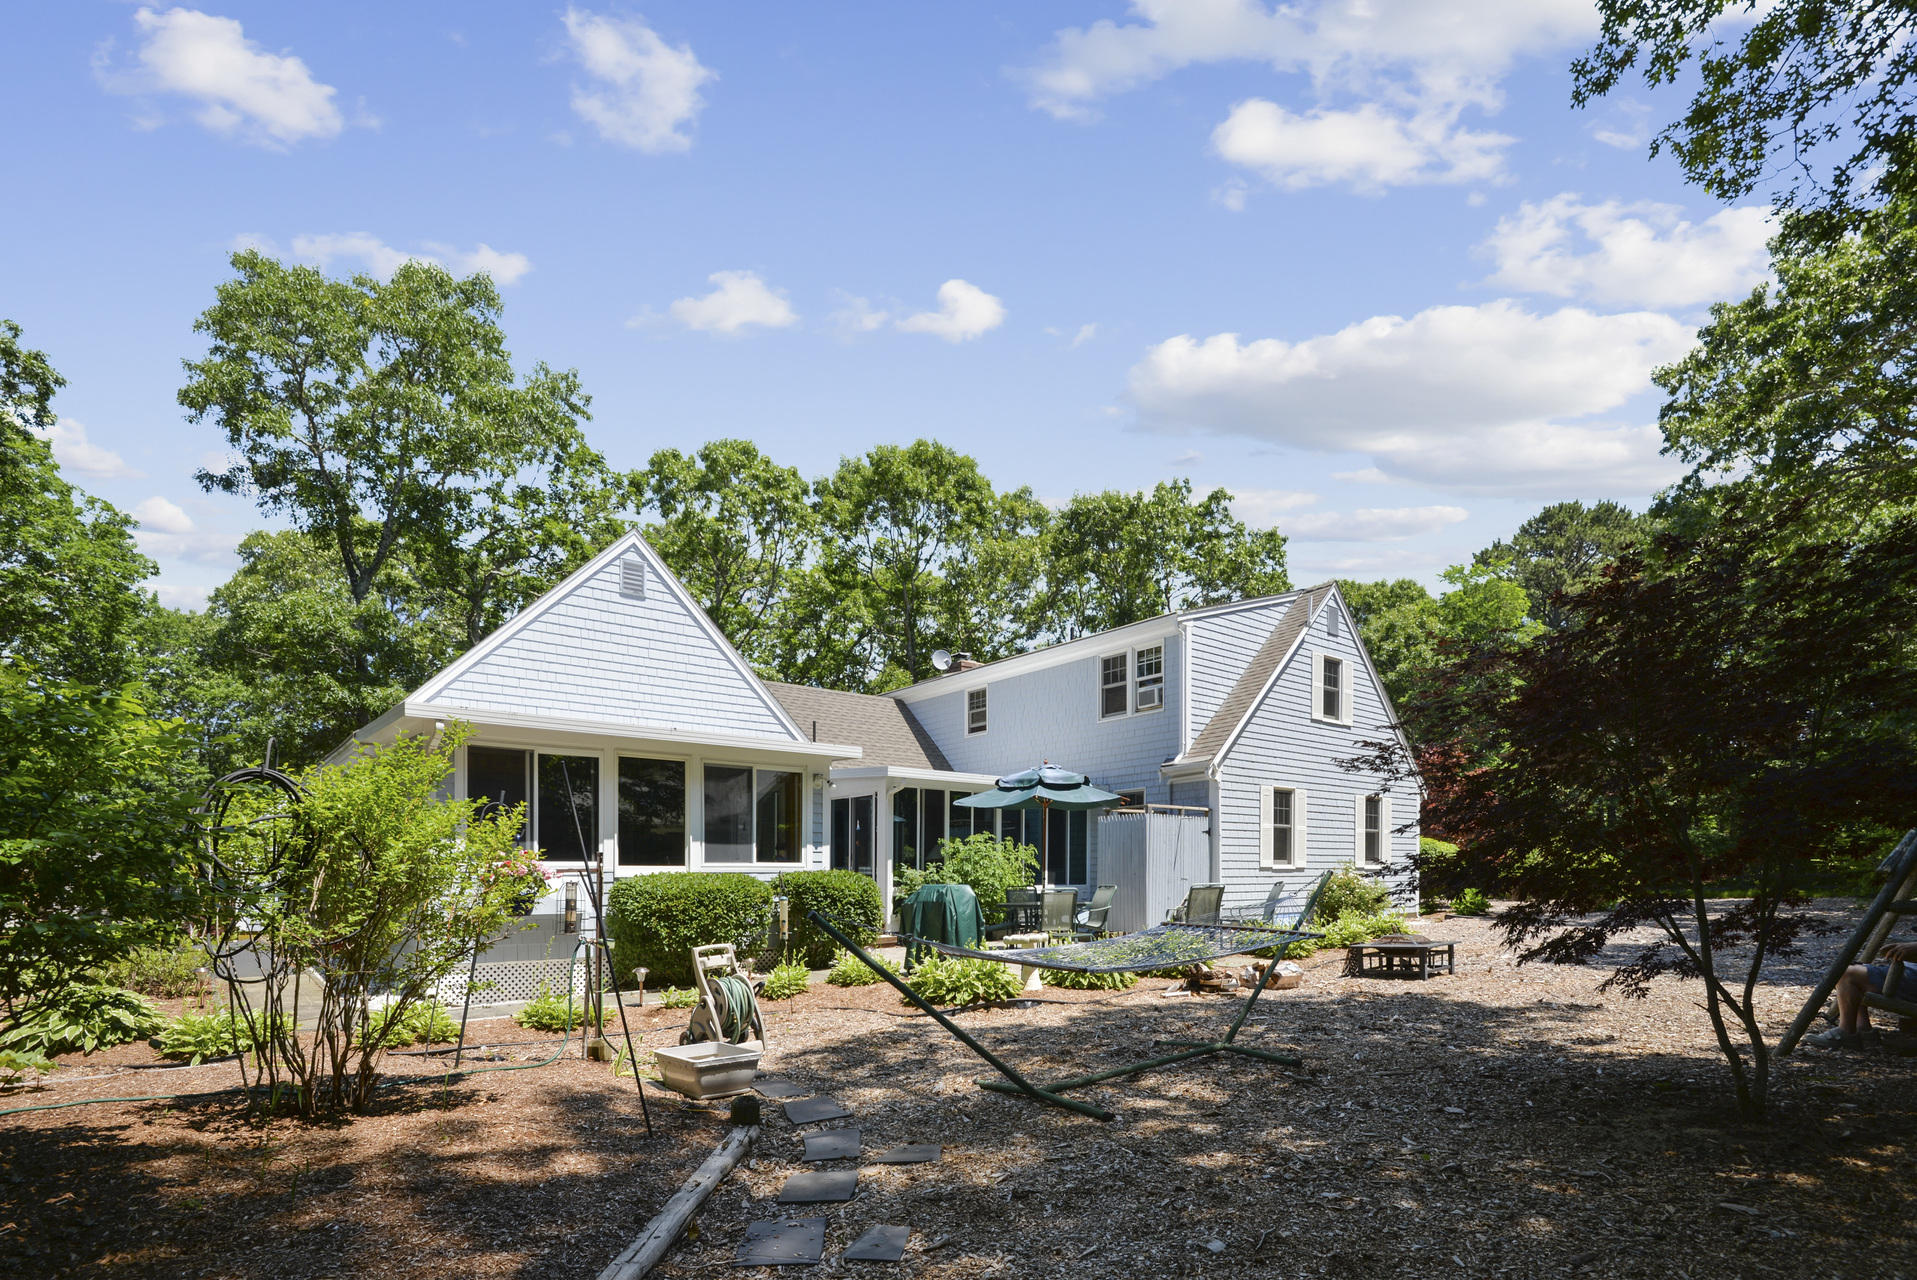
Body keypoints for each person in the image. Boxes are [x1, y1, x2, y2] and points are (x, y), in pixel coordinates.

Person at [1806, 941, 1917, 1049]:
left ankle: (1846, 1032)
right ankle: (1863, 1031)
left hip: (1911, 977)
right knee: (1856, 970)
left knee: (1848, 974)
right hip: (1908, 971)